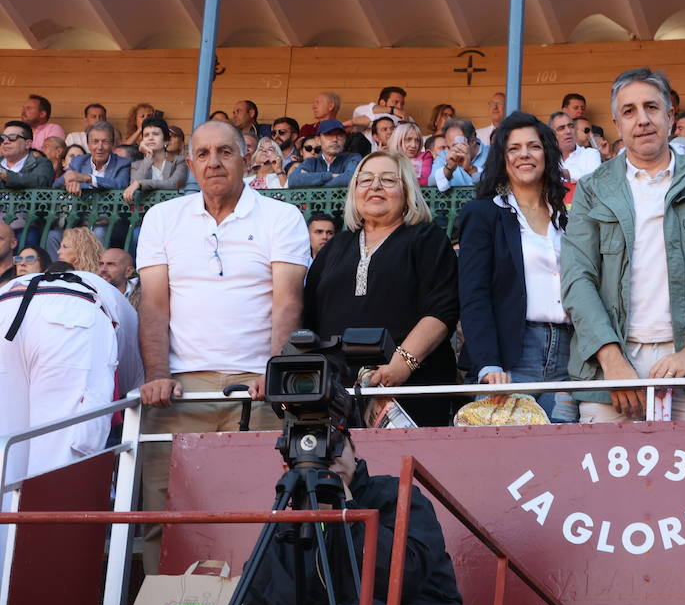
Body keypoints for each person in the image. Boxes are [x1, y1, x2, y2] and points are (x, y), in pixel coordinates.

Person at [135, 121, 310, 570]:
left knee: (259, 513)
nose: (214, 162)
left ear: (246, 159)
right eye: (204, 153)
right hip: (178, 389)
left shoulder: (281, 216)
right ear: (189, 162)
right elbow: (153, 305)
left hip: (255, 388)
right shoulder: (162, 218)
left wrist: (273, 373)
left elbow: (288, 303)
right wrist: (157, 374)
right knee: (163, 513)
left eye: (226, 152)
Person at [233, 432, 483, 605]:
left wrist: (347, 513)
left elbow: (402, 580)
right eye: (312, 450)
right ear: (289, 466)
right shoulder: (284, 530)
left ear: (354, 449)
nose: (328, 458)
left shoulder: (397, 496)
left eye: (334, 445)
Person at [561, 68, 685, 423]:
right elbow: (576, 276)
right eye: (629, 111)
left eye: (651, 108)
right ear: (616, 123)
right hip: (609, 367)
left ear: (670, 116)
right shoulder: (593, 188)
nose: (642, 120)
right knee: (603, 478)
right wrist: (612, 360)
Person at [305, 151, 459, 427]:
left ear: (407, 190)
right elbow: (310, 319)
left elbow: (442, 309)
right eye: (365, 180)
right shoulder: (335, 248)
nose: (375, 186)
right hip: (337, 394)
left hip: (409, 389)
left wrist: (402, 364)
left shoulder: (427, 238)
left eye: (388, 179)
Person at [456, 113, 575, 422]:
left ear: (546, 153)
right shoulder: (483, 214)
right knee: (507, 460)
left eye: (533, 146)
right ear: (502, 158)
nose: (524, 154)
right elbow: (474, 294)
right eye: (514, 148)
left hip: (569, 355)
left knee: (568, 455)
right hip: (511, 356)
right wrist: (488, 363)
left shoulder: (568, 218)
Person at [0, 266, 140, 486]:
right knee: (60, 452)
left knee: (6, 450)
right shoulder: (122, 307)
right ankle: (52, 519)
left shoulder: (34, 279)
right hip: (73, 315)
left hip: (5, 306)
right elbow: (138, 389)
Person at [123, 117, 189, 203]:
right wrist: (148, 157)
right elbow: (133, 189)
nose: (150, 138)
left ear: (166, 141)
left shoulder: (179, 161)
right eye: (146, 135)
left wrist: (141, 183)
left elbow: (173, 184)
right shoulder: (136, 165)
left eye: (155, 134)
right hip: (145, 211)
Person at [59, 121, 131, 194]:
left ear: (112, 144)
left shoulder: (122, 163)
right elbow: (56, 185)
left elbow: (121, 185)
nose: (99, 147)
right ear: (88, 145)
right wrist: (70, 182)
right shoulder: (78, 162)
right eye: (95, 142)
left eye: (105, 142)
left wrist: (88, 178)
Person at [288, 120, 361, 187]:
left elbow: (351, 178)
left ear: (345, 139)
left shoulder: (353, 158)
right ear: (318, 140)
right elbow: (293, 181)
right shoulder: (311, 162)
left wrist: (312, 181)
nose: (335, 139)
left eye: (340, 135)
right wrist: (330, 176)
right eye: (329, 135)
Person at [430, 119, 484, 189]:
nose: (451, 151)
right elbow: (431, 183)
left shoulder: (491, 153)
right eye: (448, 147)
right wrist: (448, 168)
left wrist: (470, 169)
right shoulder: (445, 155)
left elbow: (494, 186)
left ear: (473, 141)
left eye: (455, 145)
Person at [0, 121, 55, 189]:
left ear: (28, 144)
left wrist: (7, 176)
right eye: (3, 138)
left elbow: (42, 183)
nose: (5, 142)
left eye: (12, 137)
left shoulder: (42, 163)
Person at [550, 111, 601, 182]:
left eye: (571, 126)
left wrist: (566, 173)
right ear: (552, 134)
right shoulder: (548, 158)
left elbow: (595, 180)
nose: (568, 131)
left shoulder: (590, 154)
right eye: (561, 128)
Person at [388, 121, 433, 185]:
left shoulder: (425, 156)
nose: (413, 145)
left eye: (417, 140)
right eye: (408, 139)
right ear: (398, 140)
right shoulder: (388, 158)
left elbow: (423, 182)